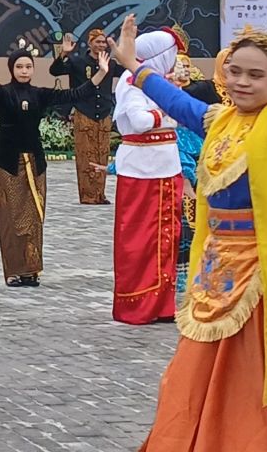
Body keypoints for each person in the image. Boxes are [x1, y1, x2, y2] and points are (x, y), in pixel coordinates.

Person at [111, 9, 267, 452]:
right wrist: (133, 65)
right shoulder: (215, 121)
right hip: (215, 267)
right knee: (195, 368)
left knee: (254, 370)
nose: (243, 82)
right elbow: (171, 99)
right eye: (236, 72)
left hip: (263, 271)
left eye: (256, 75)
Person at [0, 40, 107, 286]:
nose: (24, 70)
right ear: (12, 69)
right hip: (8, 163)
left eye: (28, 66)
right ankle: (14, 271)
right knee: (11, 219)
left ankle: (32, 269)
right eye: (19, 66)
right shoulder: (2, 92)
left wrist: (101, 72)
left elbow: (75, 93)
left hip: (35, 164)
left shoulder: (40, 93)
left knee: (34, 218)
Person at [108, 27, 185, 325]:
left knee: (167, 236)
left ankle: (163, 303)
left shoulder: (159, 84)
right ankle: (138, 302)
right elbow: (139, 121)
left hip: (165, 165)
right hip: (143, 168)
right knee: (140, 237)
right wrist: (164, 113)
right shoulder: (132, 81)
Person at [50, 28, 116, 204]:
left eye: (103, 42)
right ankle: (88, 195)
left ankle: (100, 194)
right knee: (86, 154)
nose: (101, 45)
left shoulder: (110, 63)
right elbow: (55, 71)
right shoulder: (77, 62)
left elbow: (130, 70)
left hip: (103, 113)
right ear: (90, 43)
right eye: (98, 42)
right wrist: (64, 52)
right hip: (84, 112)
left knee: (102, 153)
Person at [168, 53, 203, 300]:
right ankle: (179, 276)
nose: (185, 70)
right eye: (180, 66)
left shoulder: (196, 96)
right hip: (176, 166)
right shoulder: (163, 100)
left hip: (199, 162)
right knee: (180, 228)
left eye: (188, 66)